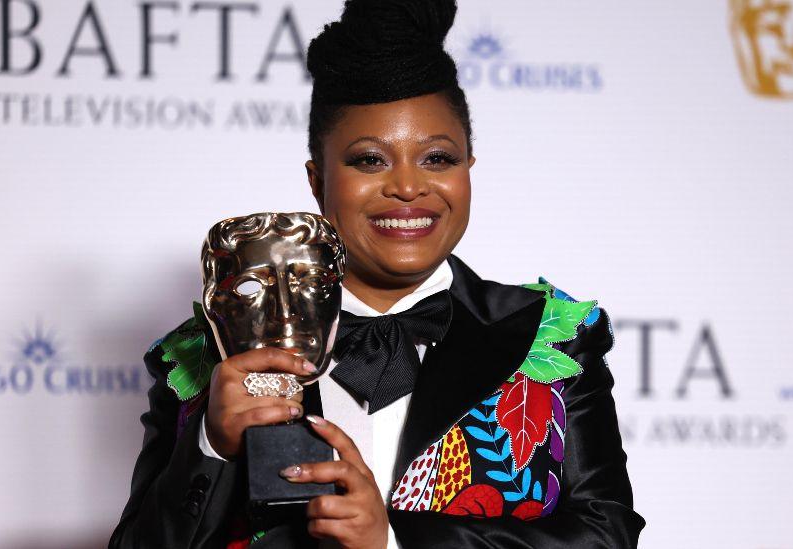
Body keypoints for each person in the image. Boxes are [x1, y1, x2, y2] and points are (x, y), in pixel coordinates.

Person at [110, 0, 644, 547]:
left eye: (438, 158)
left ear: (468, 169)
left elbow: (607, 536)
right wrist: (212, 446)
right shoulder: (213, 353)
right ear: (318, 183)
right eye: (370, 160)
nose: (408, 187)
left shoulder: (549, 338)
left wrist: (393, 542)